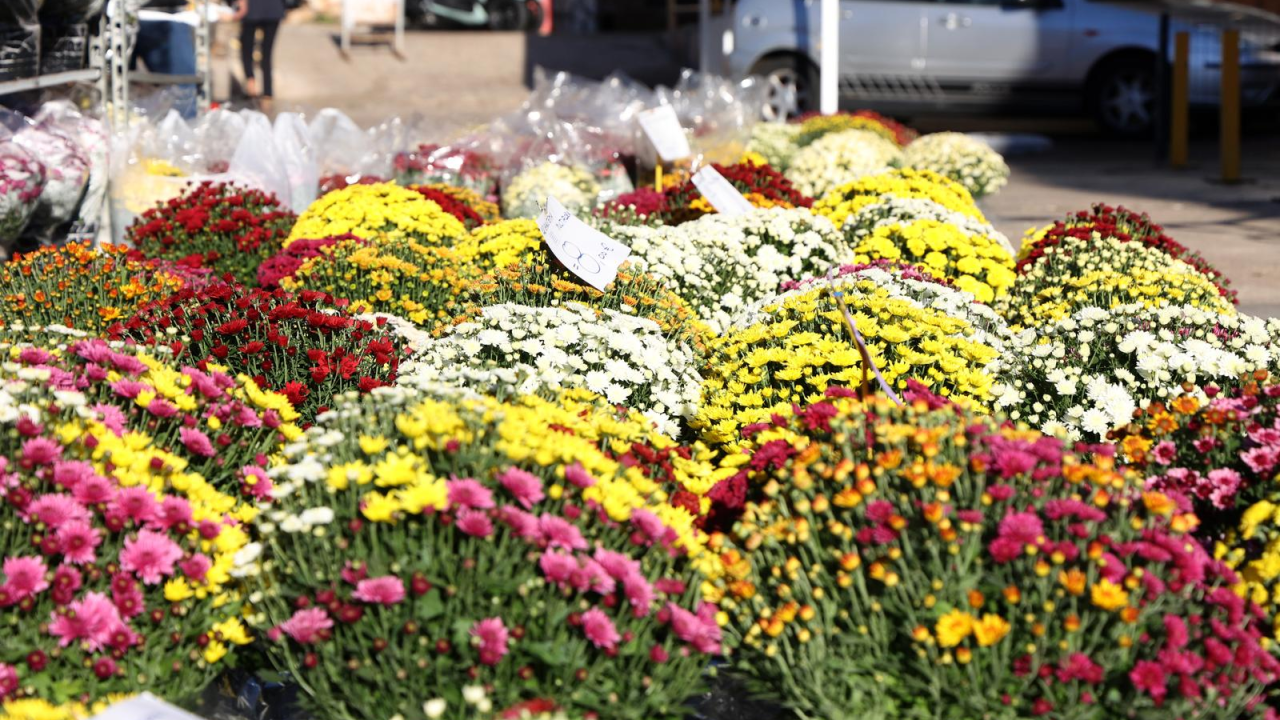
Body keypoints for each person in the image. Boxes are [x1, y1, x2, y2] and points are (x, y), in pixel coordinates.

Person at [133, 0, 199, 118]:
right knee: (118, 87)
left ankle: (181, 123)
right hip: (122, 15)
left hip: (169, 15)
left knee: (182, 92)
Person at [235, 0, 286, 109]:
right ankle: (267, 93)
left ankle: (251, 83)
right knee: (267, 53)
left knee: (247, 49)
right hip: (273, 9)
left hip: (252, 9)